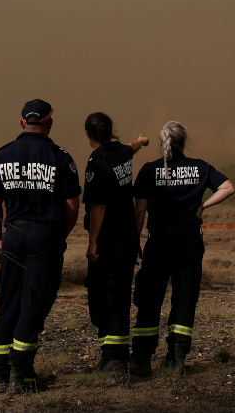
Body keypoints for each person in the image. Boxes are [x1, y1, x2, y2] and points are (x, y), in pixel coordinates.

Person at [0, 99, 80, 394]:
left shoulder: (3, 155)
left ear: (22, 122)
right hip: (45, 235)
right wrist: (59, 235)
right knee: (34, 301)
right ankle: (21, 373)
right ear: (50, 123)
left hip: (13, 234)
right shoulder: (61, 157)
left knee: (9, 299)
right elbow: (72, 207)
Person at [128, 120, 235, 377]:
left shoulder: (148, 170)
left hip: (159, 243)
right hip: (188, 244)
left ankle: (141, 360)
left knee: (149, 300)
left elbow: (139, 211)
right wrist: (203, 206)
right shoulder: (199, 168)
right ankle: (176, 359)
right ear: (183, 142)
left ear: (161, 143)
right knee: (185, 299)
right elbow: (228, 187)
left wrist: (134, 243)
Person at [81, 112, 149, 376]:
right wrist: (141, 141)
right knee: (120, 295)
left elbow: (98, 206)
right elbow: (130, 148)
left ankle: (113, 360)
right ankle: (116, 357)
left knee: (101, 298)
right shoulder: (121, 151)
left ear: (89, 135)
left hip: (108, 240)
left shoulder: (96, 162)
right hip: (128, 238)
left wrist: (92, 242)